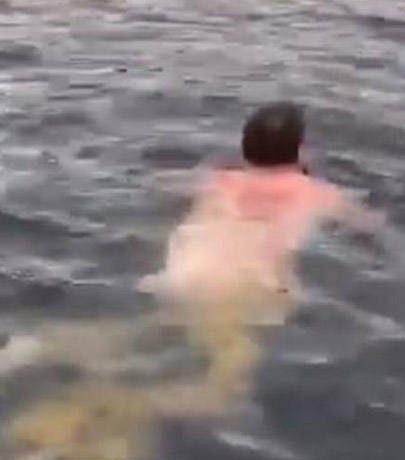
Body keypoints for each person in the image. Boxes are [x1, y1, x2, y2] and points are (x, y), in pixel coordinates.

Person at [140, 101, 383, 407]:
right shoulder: (320, 194)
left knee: (163, 332)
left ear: (245, 147)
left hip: (182, 277)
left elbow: (158, 186)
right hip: (250, 289)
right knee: (223, 389)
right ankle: (149, 406)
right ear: (300, 150)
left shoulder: (217, 180)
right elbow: (369, 225)